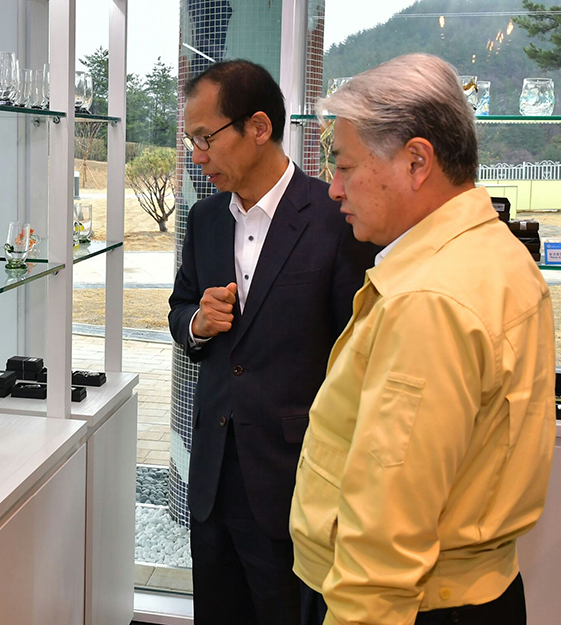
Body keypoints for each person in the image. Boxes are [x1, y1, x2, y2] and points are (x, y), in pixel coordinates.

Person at [289, 53, 556, 625]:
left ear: (416, 161)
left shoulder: (429, 298)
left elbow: (387, 534)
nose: (333, 189)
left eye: (344, 166)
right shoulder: (495, 253)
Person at [168, 60, 376, 624]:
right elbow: (179, 309)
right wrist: (198, 322)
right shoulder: (205, 218)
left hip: (295, 477)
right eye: (191, 141)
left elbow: (356, 353)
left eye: (206, 138)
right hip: (213, 476)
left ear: (259, 127)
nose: (197, 156)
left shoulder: (336, 217)